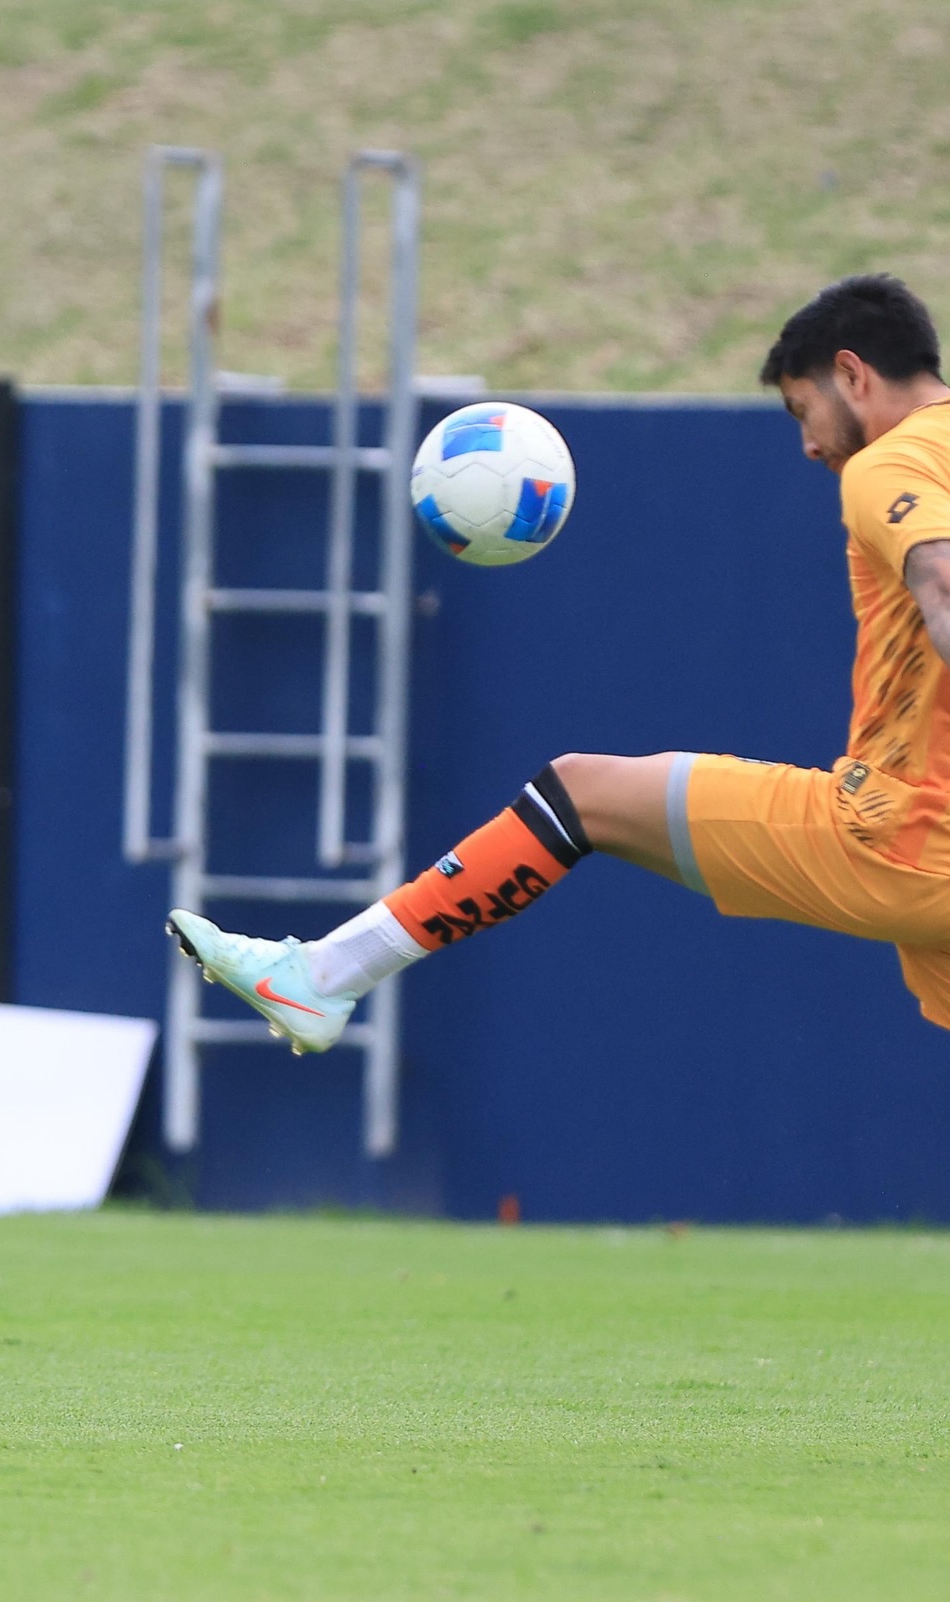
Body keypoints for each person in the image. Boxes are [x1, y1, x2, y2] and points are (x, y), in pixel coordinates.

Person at [170, 274, 950, 1065]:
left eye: (802, 409)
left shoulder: (887, 464)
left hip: (907, 836)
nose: (810, 444)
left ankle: (326, 975)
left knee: (582, 795)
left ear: (852, 375)